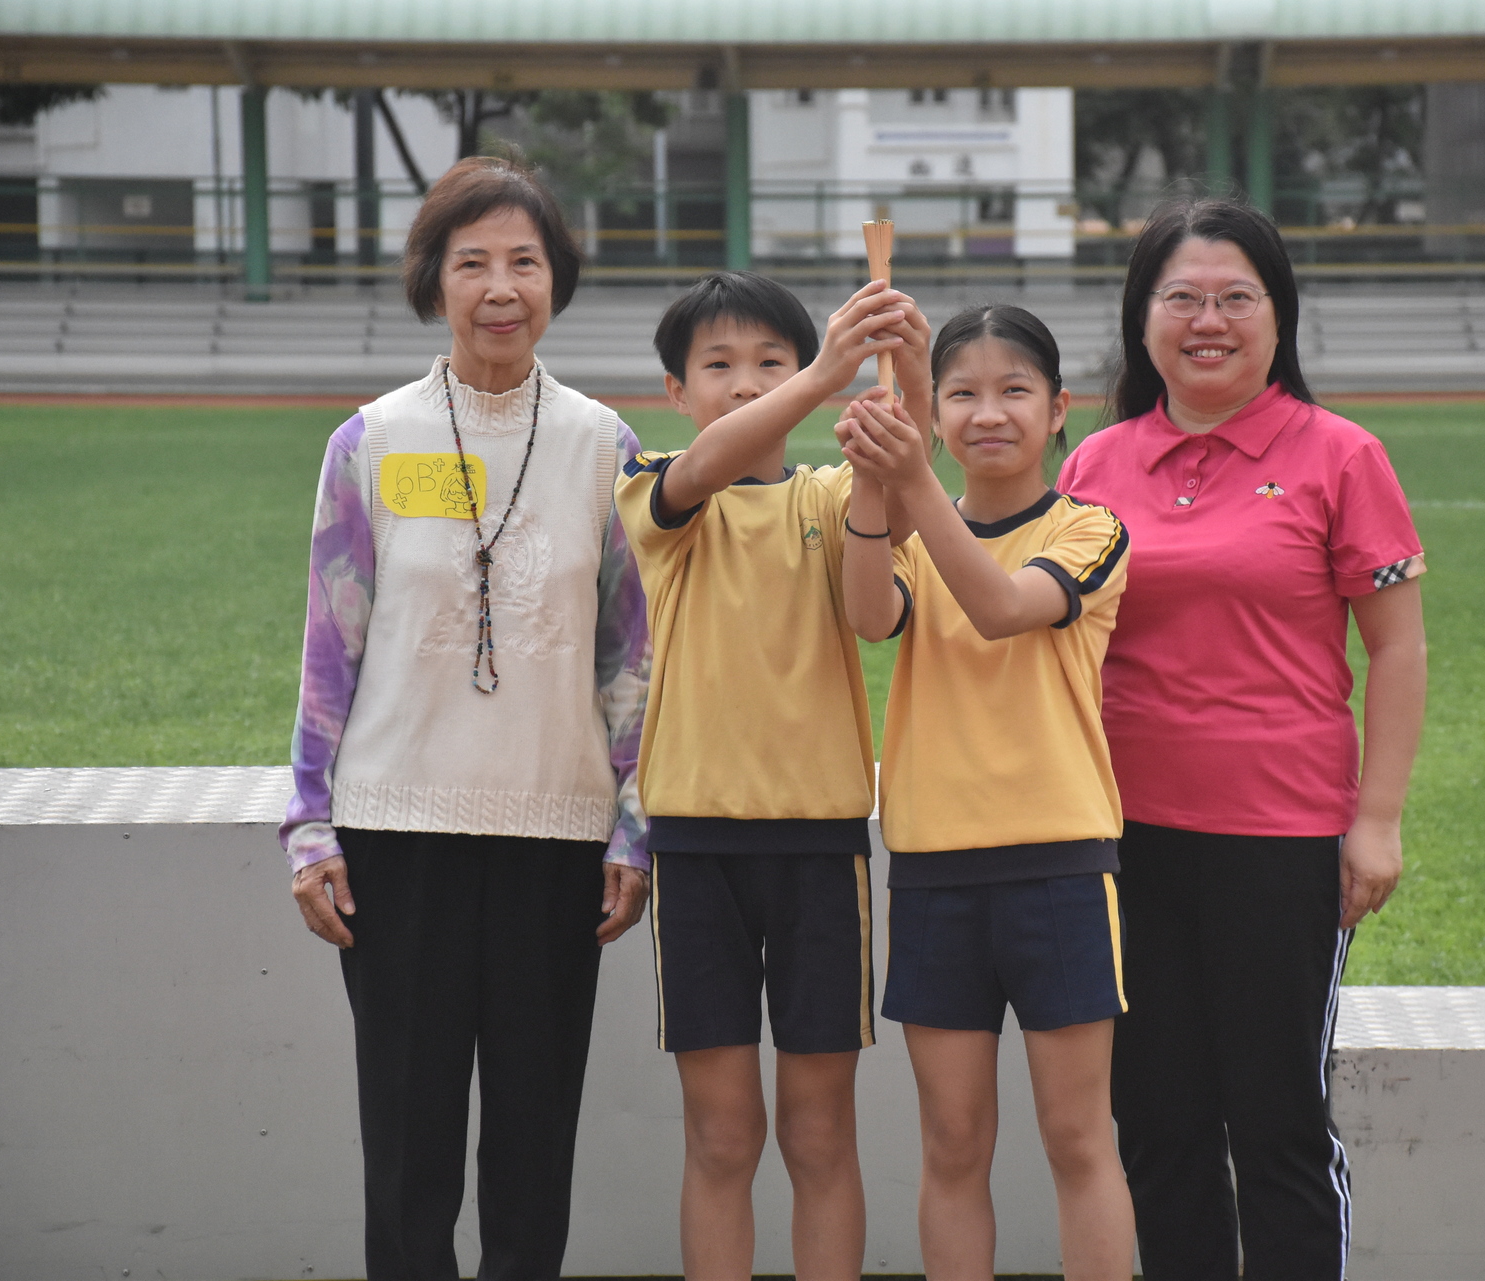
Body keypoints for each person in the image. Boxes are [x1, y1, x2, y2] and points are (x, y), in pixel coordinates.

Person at [279, 155, 652, 1281]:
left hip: (556, 837)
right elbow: (330, 649)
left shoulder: (605, 448)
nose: (501, 288)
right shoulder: (371, 442)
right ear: (433, 279)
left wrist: (633, 824)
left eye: (524, 263)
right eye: (472, 262)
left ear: (557, 280)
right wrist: (309, 826)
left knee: (535, 1148)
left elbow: (630, 658)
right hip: (395, 838)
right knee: (409, 1144)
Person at [1057, 198, 1429, 1280]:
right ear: (1142, 317)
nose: (1207, 321)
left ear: (1278, 315)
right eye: (1181, 298)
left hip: (1282, 840)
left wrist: (1377, 821)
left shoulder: (1341, 455)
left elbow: (1397, 649)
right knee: (1156, 1121)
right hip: (1118, 839)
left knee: (1276, 1122)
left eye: (1234, 298)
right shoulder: (1096, 464)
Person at [615, 270, 929, 1281]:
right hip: (696, 848)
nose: (747, 383)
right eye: (719, 365)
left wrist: (911, 376)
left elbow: (902, 506)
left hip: (820, 847)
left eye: (770, 362)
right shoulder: (656, 487)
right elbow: (709, 464)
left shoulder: (832, 495)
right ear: (675, 390)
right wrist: (826, 375)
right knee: (721, 1134)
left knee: (819, 1132)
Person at [837, 305, 1136, 1281]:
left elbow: (1003, 607)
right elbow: (867, 613)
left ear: (1059, 409)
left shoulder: (1090, 529)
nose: (989, 412)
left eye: (1015, 390)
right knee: (953, 1142)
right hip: (934, 871)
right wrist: (875, 482)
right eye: (961, 392)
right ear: (936, 413)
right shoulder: (914, 523)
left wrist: (913, 478)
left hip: (1060, 869)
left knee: (1077, 1137)